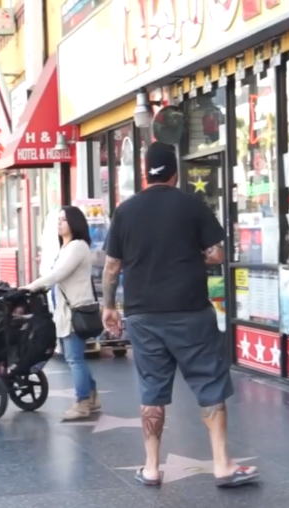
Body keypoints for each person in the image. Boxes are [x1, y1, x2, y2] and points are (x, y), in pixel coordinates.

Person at [102, 142, 258, 488]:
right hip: (190, 311)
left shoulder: (126, 211)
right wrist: (187, 256)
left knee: (151, 391)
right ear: (175, 172)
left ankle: (152, 467)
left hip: (144, 316)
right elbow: (216, 253)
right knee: (209, 384)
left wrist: (108, 306)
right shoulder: (192, 205)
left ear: (145, 173)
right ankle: (222, 465)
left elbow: (112, 265)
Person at [22, 206, 99, 420]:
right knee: (74, 357)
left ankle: (82, 402)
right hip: (65, 312)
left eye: (64, 219)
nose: (60, 223)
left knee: (74, 359)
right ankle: (91, 396)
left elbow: (58, 274)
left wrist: (30, 287)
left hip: (74, 312)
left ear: (74, 223)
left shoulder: (77, 246)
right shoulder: (66, 247)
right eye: (58, 219)